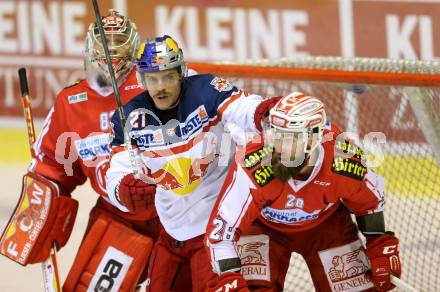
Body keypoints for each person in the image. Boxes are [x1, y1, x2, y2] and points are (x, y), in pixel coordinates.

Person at [2, 10, 161, 291]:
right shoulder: (71, 102)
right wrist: (43, 202)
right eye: (105, 46)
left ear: (135, 47)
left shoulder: (158, 84)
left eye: (119, 46)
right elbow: (51, 166)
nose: (112, 55)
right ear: (91, 48)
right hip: (120, 218)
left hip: (179, 214)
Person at [105, 35, 279, 291]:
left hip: (216, 230)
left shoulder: (206, 89)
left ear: (181, 72)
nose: (160, 86)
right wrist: (122, 190)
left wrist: (260, 113)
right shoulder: (127, 117)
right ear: (142, 79)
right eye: (152, 79)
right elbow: (117, 170)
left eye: (168, 76)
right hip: (171, 231)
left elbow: (241, 107)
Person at [205, 92, 402, 292]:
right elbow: (221, 231)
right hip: (264, 227)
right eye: (275, 133)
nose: (279, 146)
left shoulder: (342, 159)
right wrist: (229, 278)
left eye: (290, 138)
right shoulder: (254, 163)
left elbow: (369, 203)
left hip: (325, 227)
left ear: (314, 137)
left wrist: (379, 243)